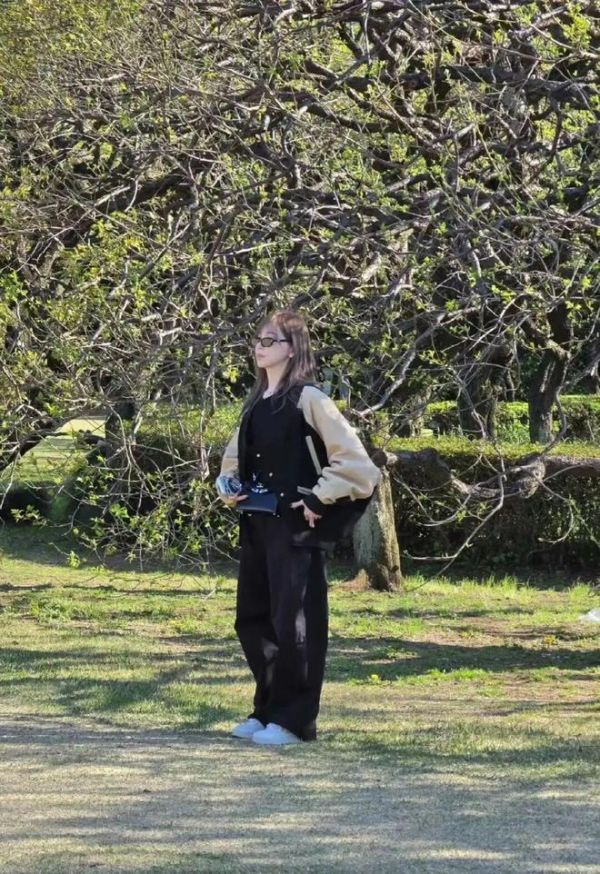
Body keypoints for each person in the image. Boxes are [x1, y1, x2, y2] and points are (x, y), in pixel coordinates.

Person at [217, 308, 381, 745]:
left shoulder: (311, 400)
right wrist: (228, 485)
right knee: (252, 621)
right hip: (257, 525)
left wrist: (318, 496)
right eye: (258, 339)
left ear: (293, 349)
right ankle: (267, 710)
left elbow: (359, 467)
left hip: (296, 529)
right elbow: (233, 461)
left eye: (270, 340)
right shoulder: (256, 403)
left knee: (295, 624)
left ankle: (294, 721)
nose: (259, 346)